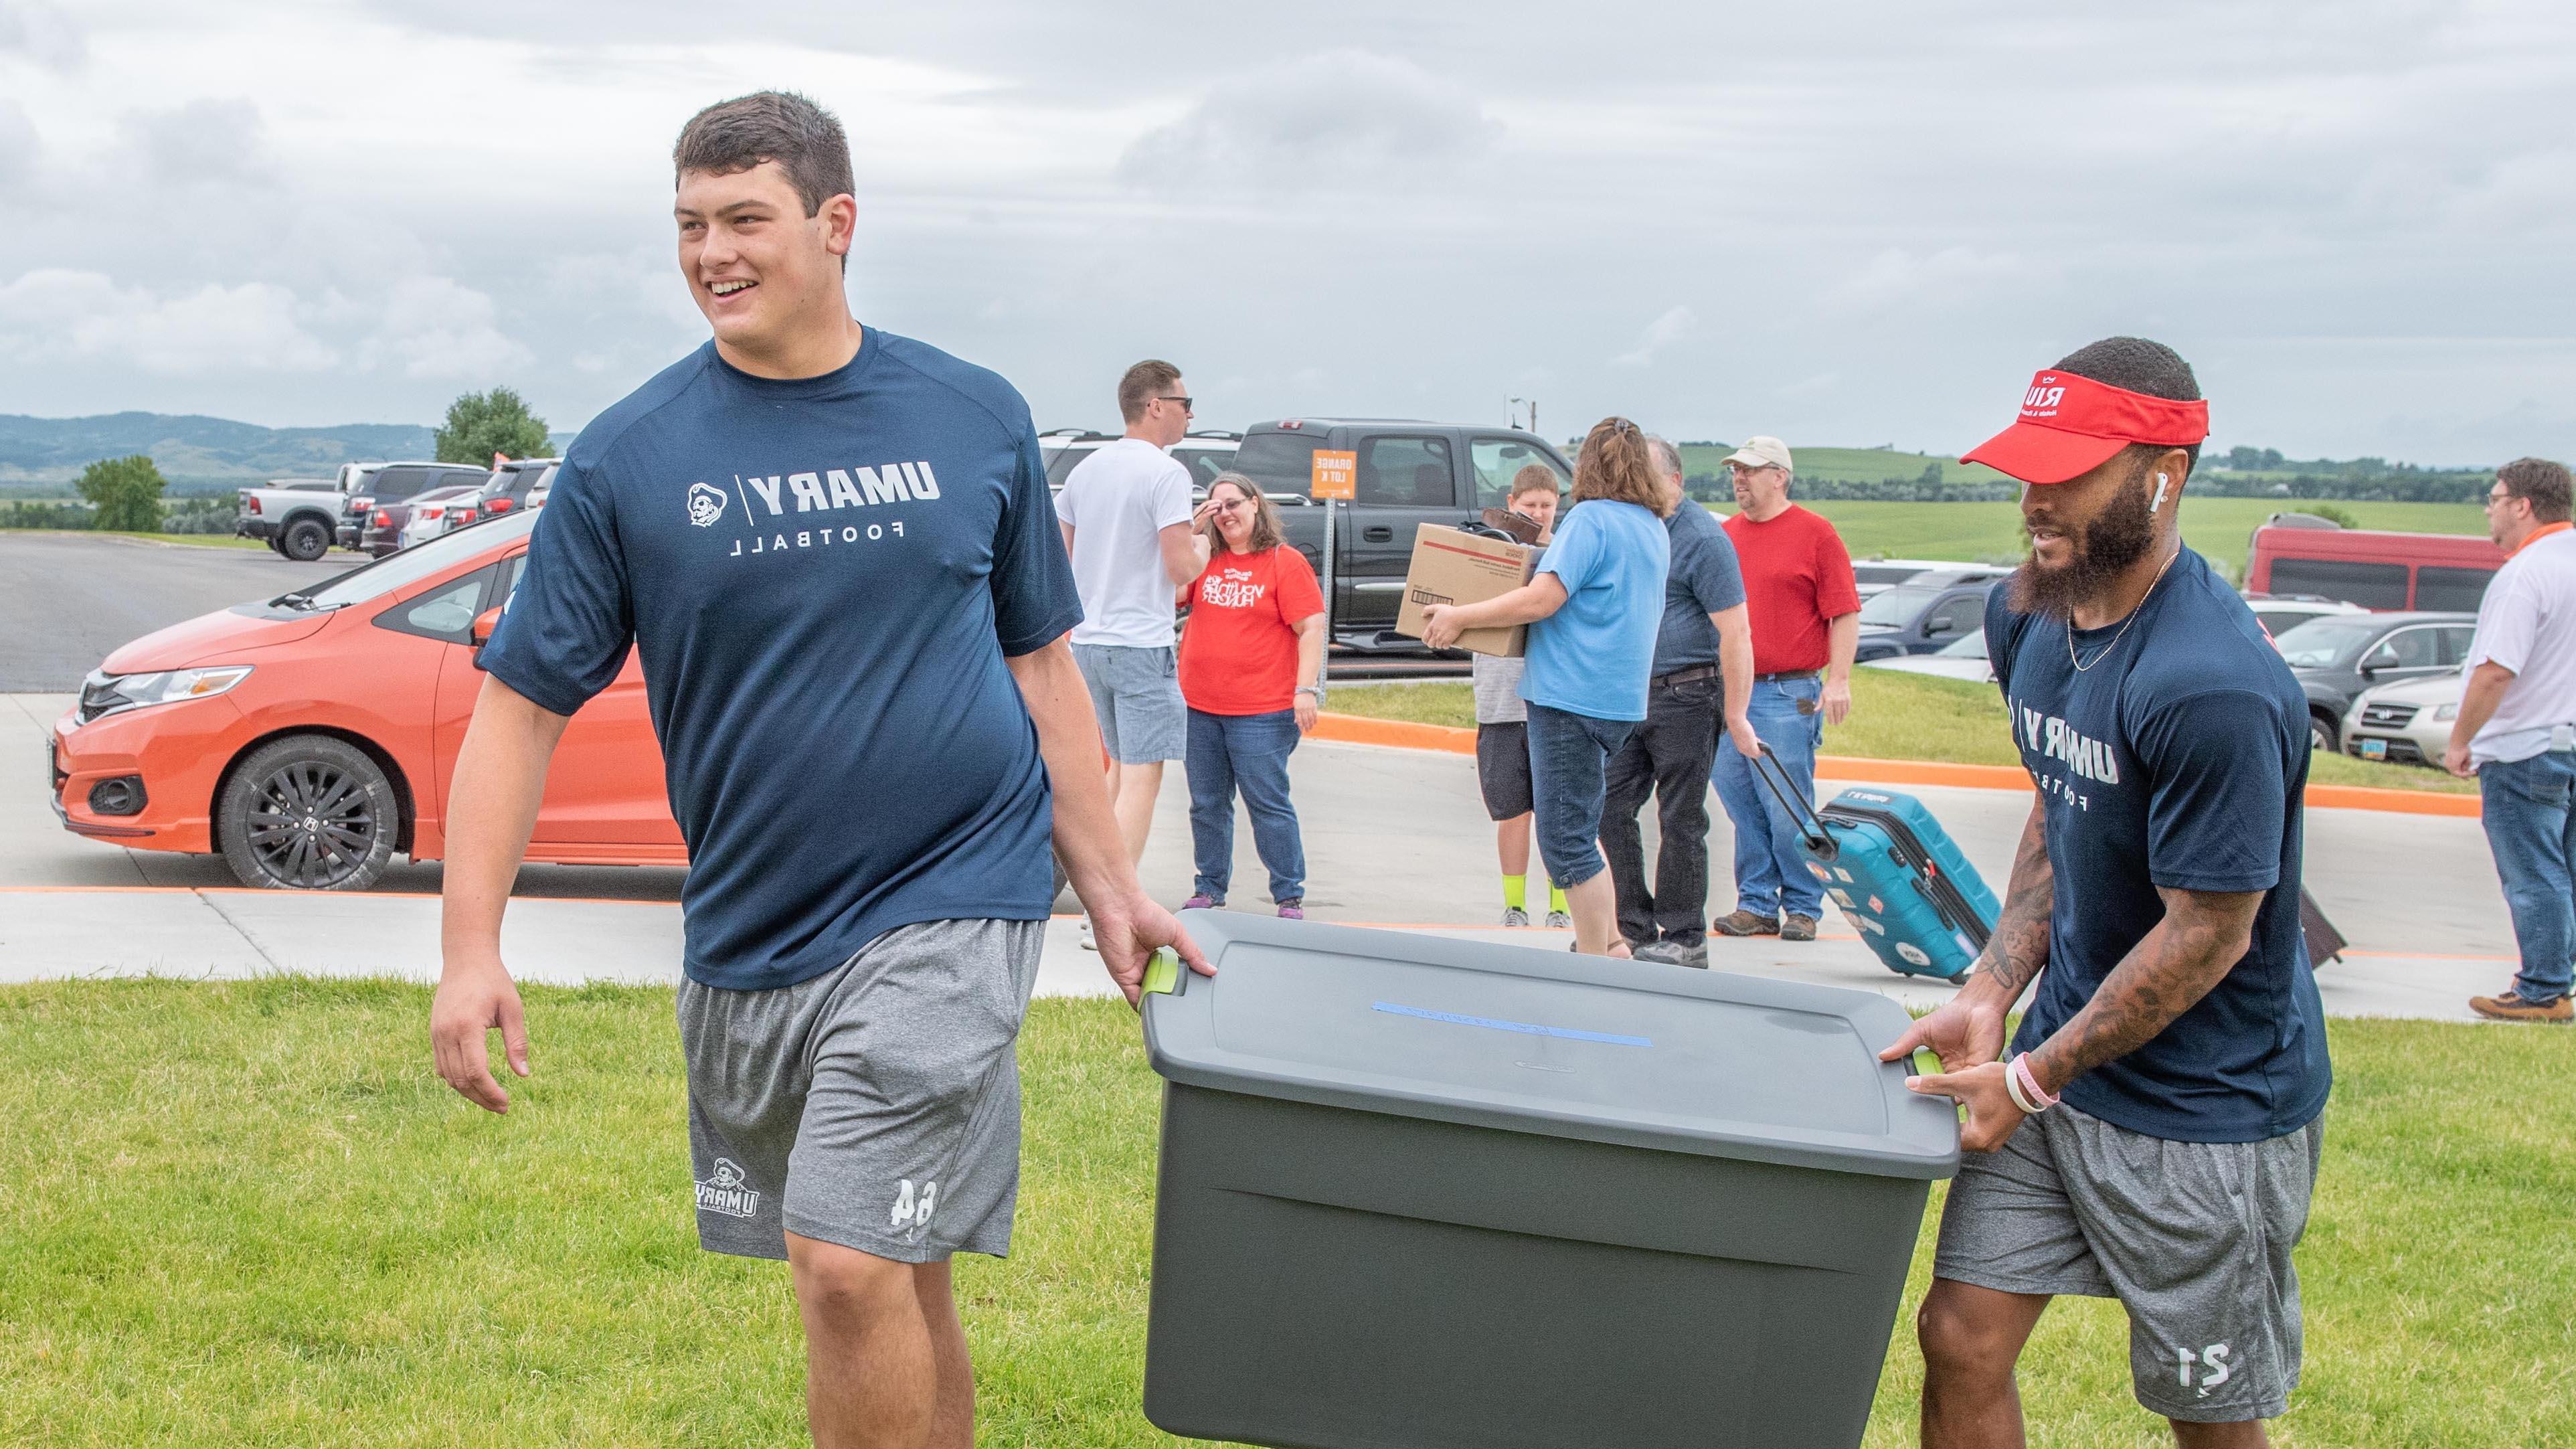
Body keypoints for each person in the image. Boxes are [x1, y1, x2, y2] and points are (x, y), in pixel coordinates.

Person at [426, 92, 1206, 1449]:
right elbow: (518, 711)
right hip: (752, 926)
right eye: (688, 224)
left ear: (836, 225)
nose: (710, 252)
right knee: (897, 1265)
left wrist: (1106, 884)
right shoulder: (631, 455)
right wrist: (469, 946)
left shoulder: (971, 415)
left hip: (955, 894)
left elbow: (1040, 669)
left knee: (839, 1263)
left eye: (744, 219)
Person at [1885, 338, 2331, 1449]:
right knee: (1959, 1337)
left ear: (2158, 475)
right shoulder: (2025, 615)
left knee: (2205, 1413)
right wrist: (1991, 985)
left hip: (2206, 1113)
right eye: (2025, 469)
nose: (2033, 499)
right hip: (2059, 1063)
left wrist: (2029, 1076)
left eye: (2067, 474)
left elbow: (2207, 936)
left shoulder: (2211, 683)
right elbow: (2060, 792)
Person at [1419, 418, 1671, 956]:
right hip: (1619, 701)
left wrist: (1460, 615)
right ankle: (1609, 947)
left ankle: (1596, 959)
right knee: (1581, 827)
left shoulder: (1590, 521)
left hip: (1568, 696)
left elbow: (1541, 599)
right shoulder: (1650, 526)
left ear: (1589, 466)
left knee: (1566, 842)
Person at [1600, 436, 1759, 968]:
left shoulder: (1702, 538)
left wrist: (1735, 713)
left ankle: (1685, 934)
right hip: (1628, 694)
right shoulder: (1633, 529)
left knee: (1680, 816)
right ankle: (1633, 926)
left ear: (1673, 480)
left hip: (1688, 693)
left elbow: (1736, 632)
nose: (1632, 487)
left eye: (1642, 476)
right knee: (1609, 806)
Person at [1705, 434, 1859, 943]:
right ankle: (1755, 902)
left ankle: (1801, 905)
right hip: (1732, 694)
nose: (1739, 479)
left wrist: (1838, 680)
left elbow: (1843, 612)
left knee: (1786, 802)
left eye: (1750, 470)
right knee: (1740, 800)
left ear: (1780, 476)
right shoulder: (1724, 536)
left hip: (1785, 693)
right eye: (1735, 471)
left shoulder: (1815, 534)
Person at [1055, 359, 1203, 871]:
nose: (1189, 415)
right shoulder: (1167, 473)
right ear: (1155, 405)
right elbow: (1181, 567)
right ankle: (1117, 896)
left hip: (1089, 641)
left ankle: (1094, 885)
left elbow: (1063, 557)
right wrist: (1202, 542)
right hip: (1140, 642)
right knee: (1143, 774)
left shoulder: (1085, 469)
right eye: (1185, 404)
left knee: (1114, 769)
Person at [2444, 456, 2576, 1023]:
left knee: (2533, 870)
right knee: (2565, 868)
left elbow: (2496, 669)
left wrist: (2460, 738)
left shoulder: (2525, 574)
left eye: (2495, 499)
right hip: (2568, 738)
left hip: (2525, 747)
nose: (2489, 509)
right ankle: (2559, 978)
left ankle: (2544, 988)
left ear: (2522, 505)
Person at [1175, 473, 1326, 918]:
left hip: (1262, 711)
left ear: (1255, 504)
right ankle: (1209, 887)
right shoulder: (1204, 559)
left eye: (1233, 504)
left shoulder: (1284, 561)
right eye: (1214, 507)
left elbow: (1311, 627)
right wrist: (1192, 531)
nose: (1225, 514)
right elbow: (1174, 592)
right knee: (1206, 804)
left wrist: (1305, 689)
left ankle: (1287, 893)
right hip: (1200, 707)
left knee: (1267, 803)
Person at [1470, 464, 1570, 928]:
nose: (1537, 513)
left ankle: (1560, 903)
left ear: (1557, 507)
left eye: (1546, 506)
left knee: (1557, 809)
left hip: (1552, 700)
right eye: (1528, 505)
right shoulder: (1490, 555)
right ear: (1511, 504)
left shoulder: (1567, 555)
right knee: (1512, 810)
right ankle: (1514, 903)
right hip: (1499, 698)